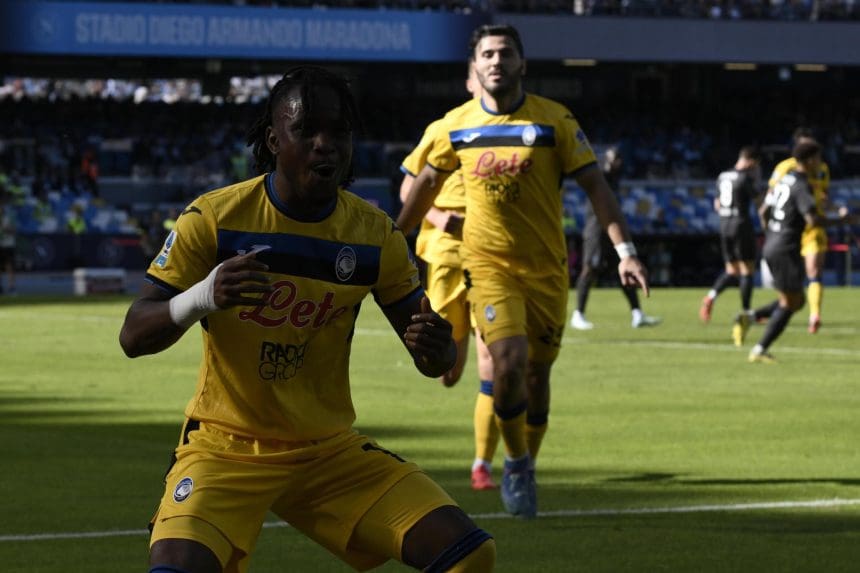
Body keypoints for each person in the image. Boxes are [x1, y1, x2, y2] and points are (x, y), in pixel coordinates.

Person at [119, 66, 495, 573]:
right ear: (274, 140)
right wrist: (203, 296)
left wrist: (437, 346)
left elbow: (435, 360)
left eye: (339, 132)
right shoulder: (215, 219)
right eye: (307, 130)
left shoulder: (374, 235)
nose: (326, 144)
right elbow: (133, 334)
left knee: (469, 554)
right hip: (224, 447)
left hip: (327, 452)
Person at [396, 25, 649, 519]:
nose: (496, 61)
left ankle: (526, 459)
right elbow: (423, 181)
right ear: (475, 65)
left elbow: (597, 188)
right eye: (488, 54)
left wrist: (626, 251)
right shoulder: (455, 126)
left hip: (546, 270)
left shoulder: (555, 121)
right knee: (507, 361)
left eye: (505, 53)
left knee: (536, 373)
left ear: (522, 64)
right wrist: (396, 238)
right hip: (487, 266)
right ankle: (513, 463)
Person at [399, 62, 500, 492]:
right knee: (448, 370)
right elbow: (408, 189)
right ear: (470, 81)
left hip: (489, 258)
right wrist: (441, 219)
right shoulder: (445, 128)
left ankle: (483, 465)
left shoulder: (507, 136)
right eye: (480, 69)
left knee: (493, 362)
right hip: (444, 255)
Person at [744, 140, 847, 362]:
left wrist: (772, 234)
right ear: (809, 160)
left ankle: (751, 317)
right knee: (790, 303)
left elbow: (763, 211)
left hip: (774, 243)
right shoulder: (801, 184)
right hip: (786, 247)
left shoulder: (784, 179)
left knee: (796, 300)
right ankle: (759, 349)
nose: (820, 163)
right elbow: (813, 220)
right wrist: (843, 221)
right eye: (818, 159)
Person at [570, 146, 661, 330]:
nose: (617, 163)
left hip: (611, 233)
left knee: (624, 269)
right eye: (615, 159)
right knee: (589, 269)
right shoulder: (600, 175)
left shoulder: (614, 178)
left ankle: (637, 313)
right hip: (596, 230)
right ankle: (578, 314)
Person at [766, 128, 832, 334]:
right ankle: (755, 315)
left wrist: (833, 208)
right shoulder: (784, 168)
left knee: (814, 271)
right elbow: (771, 196)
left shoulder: (823, 169)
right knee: (793, 293)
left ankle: (815, 315)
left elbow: (823, 196)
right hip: (790, 231)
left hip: (813, 227)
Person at [698, 146, 762, 346]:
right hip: (741, 224)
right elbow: (759, 202)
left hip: (724, 224)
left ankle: (710, 297)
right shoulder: (744, 178)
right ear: (750, 161)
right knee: (747, 270)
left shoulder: (723, 176)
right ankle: (747, 313)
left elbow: (717, 204)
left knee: (732, 270)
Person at [0, 202, 17, 295]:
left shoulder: (9, 218)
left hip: (8, 245)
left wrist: (6, 229)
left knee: (9, 267)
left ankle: (12, 287)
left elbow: (14, 230)